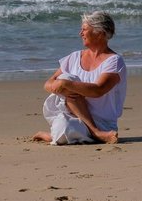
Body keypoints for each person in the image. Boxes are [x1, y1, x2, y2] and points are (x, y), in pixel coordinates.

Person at [33, 11, 127, 145]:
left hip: (102, 123)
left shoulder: (114, 61)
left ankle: (94, 131)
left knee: (66, 80)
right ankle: (94, 133)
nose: (80, 33)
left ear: (100, 33)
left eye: (84, 30)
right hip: (75, 116)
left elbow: (98, 90)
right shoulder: (74, 57)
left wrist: (65, 84)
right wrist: (61, 85)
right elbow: (48, 84)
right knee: (63, 128)